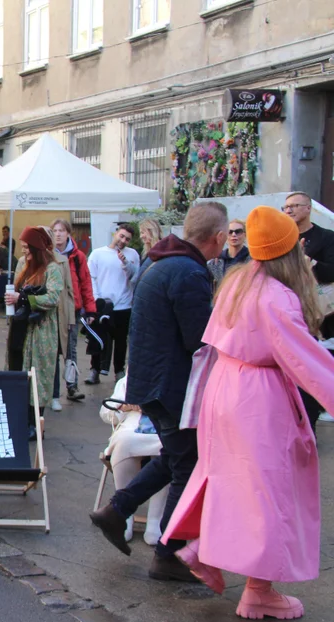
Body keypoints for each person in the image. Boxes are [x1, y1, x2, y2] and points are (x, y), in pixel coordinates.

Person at [163, 206, 334, 620]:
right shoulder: (277, 296)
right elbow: (306, 360)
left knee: (232, 480)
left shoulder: (237, 282)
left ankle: (208, 549)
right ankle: (257, 588)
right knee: (270, 490)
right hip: (259, 398)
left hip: (226, 389)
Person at [89, 202, 227, 583]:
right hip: (170, 387)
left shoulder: (163, 263)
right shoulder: (187, 271)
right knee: (188, 464)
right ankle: (167, 554)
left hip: (153, 384)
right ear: (216, 238)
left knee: (176, 458)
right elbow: (198, 338)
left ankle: (116, 511)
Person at [4, 228, 64, 440]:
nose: (23, 251)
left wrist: (25, 299)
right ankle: (19, 419)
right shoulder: (22, 263)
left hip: (40, 330)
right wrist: (13, 299)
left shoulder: (52, 269)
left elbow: (53, 298)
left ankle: (35, 423)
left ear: (37, 248)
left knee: (36, 376)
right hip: (19, 327)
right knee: (16, 369)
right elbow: (18, 291)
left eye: (27, 247)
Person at [283, 191, 334, 426]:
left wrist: (308, 263)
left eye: (295, 205)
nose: (289, 210)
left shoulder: (326, 237)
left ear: (308, 208)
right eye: (286, 207)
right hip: (287, 314)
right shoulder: (282, 239)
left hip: (320, 316)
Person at [99, 375, 167, 547]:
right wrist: (127, 406)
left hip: (163, 429)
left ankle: (155, 520)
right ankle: (125, 516)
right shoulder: (130, 378)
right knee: (124, 443)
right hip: (133, 429)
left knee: (168, 450)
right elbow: (106, 411)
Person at [85, 225, 140, 384]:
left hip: (124, 305)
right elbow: (91, 278)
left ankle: (119, 371)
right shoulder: (97, 254)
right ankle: (94, 370)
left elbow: (135, 277)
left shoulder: (132, 254)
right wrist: (96, 300)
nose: (123, 241)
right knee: (98, 339)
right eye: (121, 236)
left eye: (127, 239)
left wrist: (126, 264)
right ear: (115, 234)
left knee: (121, 341)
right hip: (102, 305)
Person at [52, 219, 96, 405]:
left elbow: (85, 283)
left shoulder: (78, 257)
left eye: (62, 230)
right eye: (55, 231)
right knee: (53, 350)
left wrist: (91, 310)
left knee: (70, 349)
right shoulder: (48, 255)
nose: (58, 234)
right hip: (53, 309)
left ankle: (72, 386)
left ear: (69, 233)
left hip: (73, 310)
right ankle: (52, 390)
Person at [207, 218, 250, 287]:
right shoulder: (215, 262)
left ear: (245, 235)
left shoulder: (252, 260)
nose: (233, 234)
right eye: (230, 232)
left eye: (238, 231)